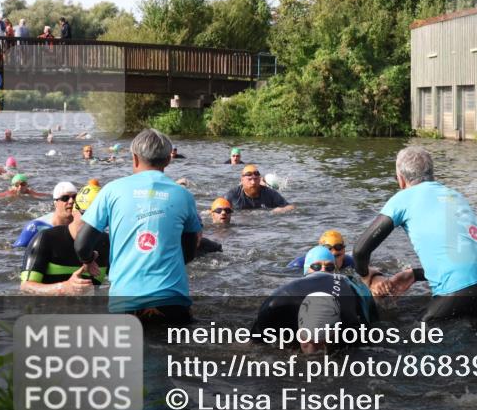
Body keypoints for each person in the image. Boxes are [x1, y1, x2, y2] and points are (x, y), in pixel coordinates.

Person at [353, 146, 477, 321]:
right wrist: (414, 275)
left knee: (419, 342)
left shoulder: (403, 198)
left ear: (401, 180)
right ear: (432, 175)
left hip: (457, 292)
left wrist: (367, 277)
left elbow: (360, 251)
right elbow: (463, 259)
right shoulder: (455, 196)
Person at [75, 128, 203, 321]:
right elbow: (190, 251)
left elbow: (81, 244)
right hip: (171, 299)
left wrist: (88, 259)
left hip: (125, 301)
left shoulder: (112, 190)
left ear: (134, 158)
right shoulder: (183, 195)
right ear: (168, 160)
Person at [251, 271, 377, 354]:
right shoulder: (274, 308)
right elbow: (252, 343)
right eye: (306, 341)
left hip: (351, 287)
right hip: (307, 285)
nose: (311, 352)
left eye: (320, 345)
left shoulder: (352, 321)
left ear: (334, 333)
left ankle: (373, 277)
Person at [20, 181, 110, 295]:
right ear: (74, 210)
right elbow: (26, 287)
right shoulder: (46, 239)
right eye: (86, 215)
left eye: (100, 219)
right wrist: (63, 288)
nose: (92, 223)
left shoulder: (107, 244)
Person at [224, 165, 294, 212]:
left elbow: (291, 207)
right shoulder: (232, 196)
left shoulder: (270, 194)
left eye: (256, 179)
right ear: (242, 180)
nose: (253, 182)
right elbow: (217, 209)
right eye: (249, 179)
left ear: (259, 179)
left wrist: (281, 209)